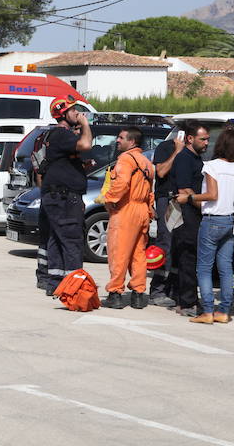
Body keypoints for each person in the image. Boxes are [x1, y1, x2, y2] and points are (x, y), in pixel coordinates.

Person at [176, 128, 234, 324]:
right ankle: (224, 311)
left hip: (213, 220)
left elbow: (212, 195)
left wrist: (189, 197)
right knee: (226, 268)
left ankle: (207, 311)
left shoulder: (212, 166)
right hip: (231, 219)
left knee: (203, 268)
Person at [38, 95, 93, 295]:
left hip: (59, 195)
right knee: (72, 240)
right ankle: (74, 287)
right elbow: (86, 144)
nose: (77, 113)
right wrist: (85, 123)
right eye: (73, 110)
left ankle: (56, 283)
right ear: (63, 114)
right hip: (64, 197)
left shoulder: (59, 135)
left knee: (57, 238)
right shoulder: (61, 134)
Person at [102, 127, 155, 309]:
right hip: (142, 211)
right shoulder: (146, 162)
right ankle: (139, 294)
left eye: (121, 138)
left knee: (119, 252)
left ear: (131, 142)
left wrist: (109, 199)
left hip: (126, 209)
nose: (117, 140)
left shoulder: (125, 159)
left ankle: (115, 293)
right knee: (138, 254)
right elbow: (150, 191)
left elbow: (122, 183)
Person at [169, 121, 210, 316]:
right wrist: (204, 207)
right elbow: (184, 188)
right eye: (203, 139)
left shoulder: (196, 159)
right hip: (186, 215)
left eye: (208, 139)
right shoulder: (184, 158)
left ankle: (184, 299)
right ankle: (187, 303)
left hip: (193, 214)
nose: (207, 143)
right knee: (188, 259)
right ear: (190, 139)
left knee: (188, 258)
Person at [147, 129, 185, 307]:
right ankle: (157, 290)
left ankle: (174, 290)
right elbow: (161, 172)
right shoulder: (166, 148)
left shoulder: (195, 153)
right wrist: (177, 152)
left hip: (184, 203)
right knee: (165, 246)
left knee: (180, 248)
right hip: (167, 201)